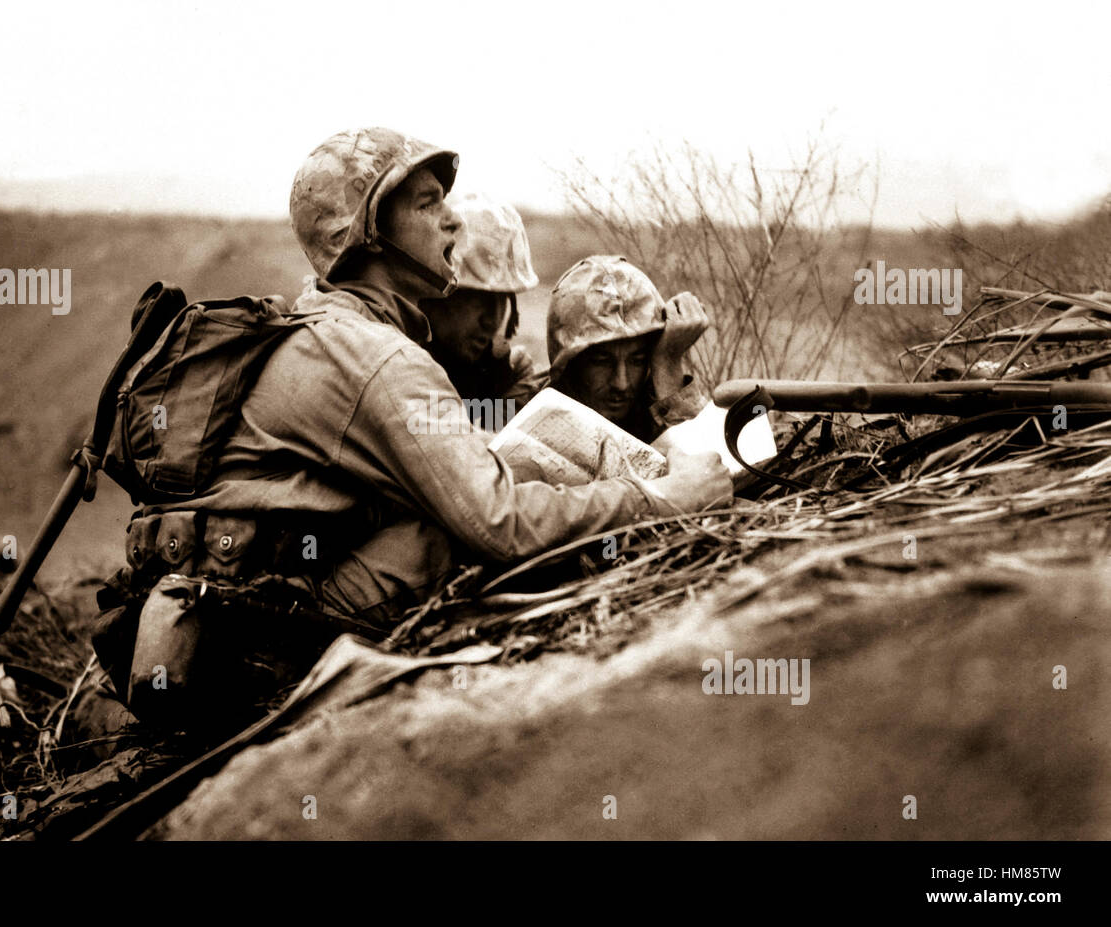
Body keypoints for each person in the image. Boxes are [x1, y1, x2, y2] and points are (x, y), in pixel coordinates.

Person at [122, 128, 731, 639]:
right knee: (454, 532)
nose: (452, 221)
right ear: (367, 232)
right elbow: (502, 525)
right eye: (426, 203)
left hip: (247, 611)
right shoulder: (377, 359)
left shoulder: (326, 327)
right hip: (269, 636)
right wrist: (665, 501)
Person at [546, 255, 710, 443]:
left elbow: (706, 463)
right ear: (569, 364)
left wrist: (668, 362)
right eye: (602, 362)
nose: (621, 384)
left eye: (637, 361)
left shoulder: (655, 415)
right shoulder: (521, 404)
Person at [418, 192, 542, 428]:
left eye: (503, 299)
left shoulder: (505, 372)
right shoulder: (395, 364)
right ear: (434, 292)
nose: (492, 320)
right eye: (478, 298)